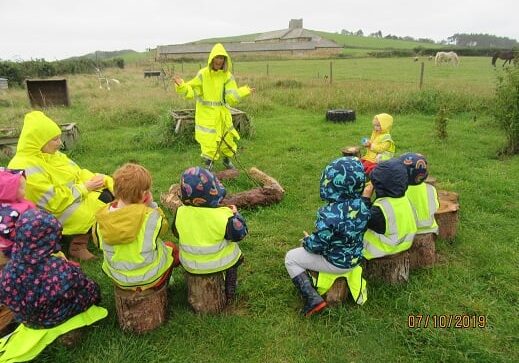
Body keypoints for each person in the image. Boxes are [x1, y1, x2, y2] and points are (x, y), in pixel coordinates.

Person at [0, 209, 106, 362]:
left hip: (28, 320)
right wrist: (95, 292)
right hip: (54, 317)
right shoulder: (59, 269)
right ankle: (69, 334)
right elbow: (83, 286)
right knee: (89, 289)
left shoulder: (8, 271)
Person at [8, 111, 114, 261]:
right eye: (55, 139)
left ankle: (86, 234)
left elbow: (76, 172)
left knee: (106, 194)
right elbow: (53, 201)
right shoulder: (25, 165)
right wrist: (85, 188)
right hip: (48, 211)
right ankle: (76, 245)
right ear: (39, 141)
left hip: (70, 196)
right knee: (88, 211)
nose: (60, 143)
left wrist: (97, 179)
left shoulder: (51, 154)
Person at [285, 157, 371, 317]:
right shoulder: (363, 205)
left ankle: (312, 298)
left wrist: (307, 242)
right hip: (354, 258)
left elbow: (318, 245)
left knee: (290, 258)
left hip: (335, 262)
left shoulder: (329, 214)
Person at [92, 163, 179, 291]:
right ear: (144, 195)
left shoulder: (101, 218)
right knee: (170, 247)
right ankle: (166, 279)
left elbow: (97, 242)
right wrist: (152, 206)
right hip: (150, 277)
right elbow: (164, 229)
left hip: (119, 277)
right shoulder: (150, 216)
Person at [173, 43, 254, 170]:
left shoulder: (228, 76)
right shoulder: (203, 74)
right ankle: (208, 166)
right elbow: (191, 90)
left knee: (227, 138)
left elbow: (231, 98)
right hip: (207, 115)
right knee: (209, 141)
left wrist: (244, 91)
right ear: (212, 59)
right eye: (217, 57)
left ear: (225, 60)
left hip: (222, 114)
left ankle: (227, 161)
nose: (219, 60)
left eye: (222, 58)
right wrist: (181, 86)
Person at [173, 166, 247, 302]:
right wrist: (236, 215)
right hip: (219, 262)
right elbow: (239, 234)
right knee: (237, 258)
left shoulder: (180, 212)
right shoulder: (224, 214)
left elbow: (176, 232)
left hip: (189, 263)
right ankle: (230, 289)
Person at [362, 159, 417, 259]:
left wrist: (365, 199)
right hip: (404, 243)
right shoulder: (404, 199)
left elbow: (362, 220)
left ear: (379, 185)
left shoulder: (381, 209)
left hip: (383, 249)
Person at [399, 152, 439, 235]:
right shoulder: (431, 189)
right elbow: (435, 207)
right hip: (430, 227)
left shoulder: (400, 190)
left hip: (408, 231)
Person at [0, 168, 35, 257]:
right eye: (22, 188)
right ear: (10, 190)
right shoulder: (24, 207)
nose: (25, 191)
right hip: (14, 246)